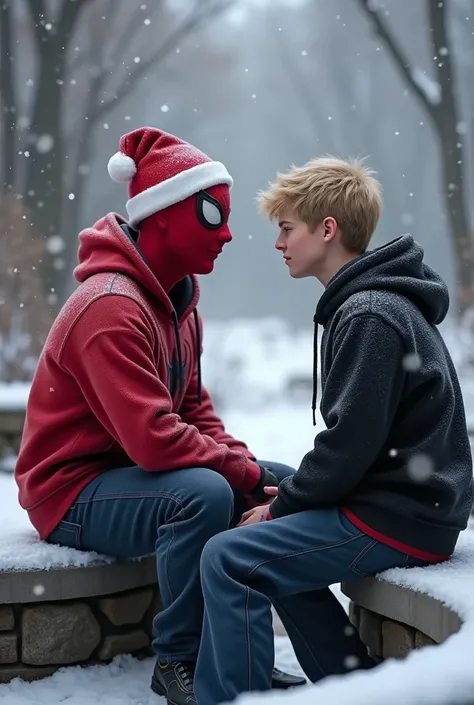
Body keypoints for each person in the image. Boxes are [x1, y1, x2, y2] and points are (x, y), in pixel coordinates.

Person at [14, 127, 305, 704]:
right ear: (165, 215)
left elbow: (194, 409)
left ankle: (244, 654)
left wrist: (248, 466)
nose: (226, 233)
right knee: (202, 493)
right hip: (70, 489)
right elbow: (153, 440)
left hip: (132, 475)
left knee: (284, 480)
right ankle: (179, 661)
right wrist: (235, 474)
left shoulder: (179, 299)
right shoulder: (110, 307)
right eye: (210, 216)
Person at [194, 156, 474, 704]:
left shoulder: (369, 313)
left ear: (328, 230)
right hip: (407, 502)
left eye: (286, 227)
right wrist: (288, 499)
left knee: (229, 557)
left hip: (401, 514)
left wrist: (282, 508)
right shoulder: (373, 302)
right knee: (260, 523)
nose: (278, 242)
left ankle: (231, 698)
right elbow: (355, 446)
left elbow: (349, 446)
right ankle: (350, 685)